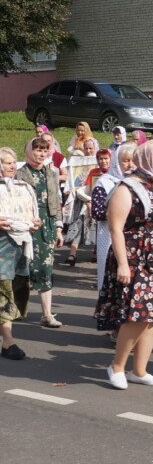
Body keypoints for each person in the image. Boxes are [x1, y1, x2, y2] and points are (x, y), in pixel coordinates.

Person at [94, 140, 153, 388]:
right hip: (135, 259)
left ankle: (139, 370)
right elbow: (116, 229)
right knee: (138, 315)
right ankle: (117, 366)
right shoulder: (126, 188)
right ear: (150, 160)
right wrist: (123, 265)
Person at [15, 138, 64, 328]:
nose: (42, 154)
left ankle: (46, 314)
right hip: (25, 226)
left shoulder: (51, 174)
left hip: (47, 225)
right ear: (29, 151)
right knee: (22, 268)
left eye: (45, 150)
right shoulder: (20, 174)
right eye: (38, 150)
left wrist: (59, 228)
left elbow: (56, 201)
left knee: (45, 269)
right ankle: (17, 309)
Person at [0, 147, 41, 360]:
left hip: (18, 247)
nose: (12, 166)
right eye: (7, 162)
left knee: (15, 289)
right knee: (3, 291)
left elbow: (32, 213)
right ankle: (8, 342)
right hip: (1, 248)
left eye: (13, 162)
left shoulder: (23, 187)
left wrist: (34, 223)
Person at [93, 143, 137, 299]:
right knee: (111, 276)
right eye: (125, 161)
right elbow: (97, 211)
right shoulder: (104, 182)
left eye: (133, 160)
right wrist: (120, 213)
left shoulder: (140, 184)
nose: (130, 165)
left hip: (133, 239)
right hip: (110, 237)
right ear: (117, 162)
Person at [64, 137, 102, 267]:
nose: (88, 150)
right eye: (86, 148)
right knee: (77, 224)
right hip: (80, 197)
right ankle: (72, 253)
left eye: (91, 148)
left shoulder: (99, 163)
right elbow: (73, 178)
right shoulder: (77, 162)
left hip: (94, 197)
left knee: (95, 224)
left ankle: (96, 253)